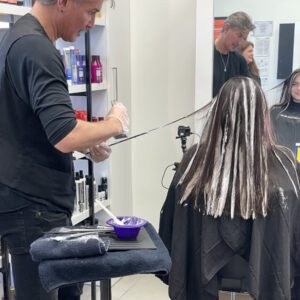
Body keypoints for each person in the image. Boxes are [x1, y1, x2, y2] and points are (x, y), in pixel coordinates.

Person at [0, 0, 129, 299]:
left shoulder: (18, 38)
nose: (91, 22)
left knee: (68, 291)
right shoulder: (36, 48)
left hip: (32, 200)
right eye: (89, 12)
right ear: (63, 2)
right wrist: (114, 122)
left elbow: (36, 124)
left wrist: (89, 140)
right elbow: (64, 133)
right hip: (32, 207)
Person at [159, 77, 300, 300]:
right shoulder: (284, 160)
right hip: (264, 271)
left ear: (218, 111)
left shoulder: (194, 159)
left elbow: (171, 224)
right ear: (262, 115)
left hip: (204, 271)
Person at [213, 11, 255, 97]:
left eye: (244, 38)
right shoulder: (206, 55)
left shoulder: (240, 60)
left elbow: (250, 89)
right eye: (239, 35)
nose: (240, 42)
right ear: (226, 27)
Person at [270, 68, 300, 153]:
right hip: (279, 163)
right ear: (288, 86)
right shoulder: (275, 112)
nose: (298, 88)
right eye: (294, 84)